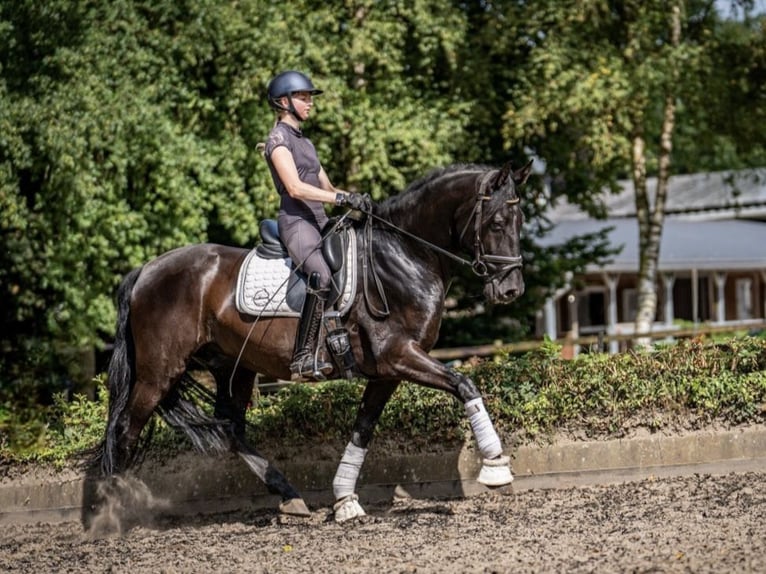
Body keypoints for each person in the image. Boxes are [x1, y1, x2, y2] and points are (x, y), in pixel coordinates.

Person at [263, 70, 372, 381]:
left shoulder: (305, 143)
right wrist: (339, 197)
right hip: (296, 222)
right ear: (283, 102)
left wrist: (353, 200)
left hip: (320, 220)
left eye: (310, 97)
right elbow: (296, 189)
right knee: (321, 275)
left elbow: (327, 184)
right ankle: (302, 357)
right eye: (304, 97)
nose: (310, 103)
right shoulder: (278, 140)